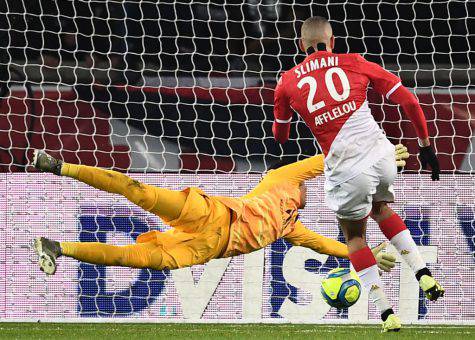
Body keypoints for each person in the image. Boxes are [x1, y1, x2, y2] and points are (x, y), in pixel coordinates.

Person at [272, 16, 444, 332]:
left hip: (347, 170)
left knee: (354, 237)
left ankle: (386, 312)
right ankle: (423, 273)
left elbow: (280, 137)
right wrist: (426, 146)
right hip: (383, 157)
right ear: (332, 40)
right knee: (379, 208)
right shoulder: (354, 62)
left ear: (301, 45)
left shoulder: (287, 82)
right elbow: (408, 99)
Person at [32, 147, 408, 278]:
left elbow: (328, 247)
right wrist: (377, 157)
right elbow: (325, 161)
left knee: (131, 258)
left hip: (202, 250)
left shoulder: (291, 227)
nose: (312, 189)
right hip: (210, 215)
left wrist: (367, 254)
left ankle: (57, 248)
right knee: (140, 191)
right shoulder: (282, 177)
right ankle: (59, 167)